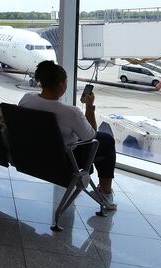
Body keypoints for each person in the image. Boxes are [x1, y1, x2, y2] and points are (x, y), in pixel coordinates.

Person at [19, 60, 117, 210]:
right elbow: (91, 136)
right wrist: (89, 107)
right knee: (107, 140)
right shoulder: (70, 112)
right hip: (63, 162)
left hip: (32, 155)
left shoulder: (26, 99)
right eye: (66, 82)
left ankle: (104, 191)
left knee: (102, 138)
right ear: (61, 85)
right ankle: (105, 192)